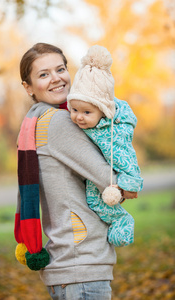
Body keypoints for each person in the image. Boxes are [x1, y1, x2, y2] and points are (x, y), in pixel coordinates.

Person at [14, 42, 137, 300]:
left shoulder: (36, 121)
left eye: (60, 69)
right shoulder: (58, 122)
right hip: (81, 266)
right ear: (28, 87)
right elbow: (116, 183)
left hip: (69, 265)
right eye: (43, 74)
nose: (56, 79)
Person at [67, 45, 143, 248]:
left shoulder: (111, 133)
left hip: (112, 180)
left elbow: (126, 156)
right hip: (94, 171)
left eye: (86, 112)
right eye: (74, 109)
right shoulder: (87, 123)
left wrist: (129, 183)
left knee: (96, 201)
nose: (79, 117)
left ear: (103, 112)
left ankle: (122, 221)